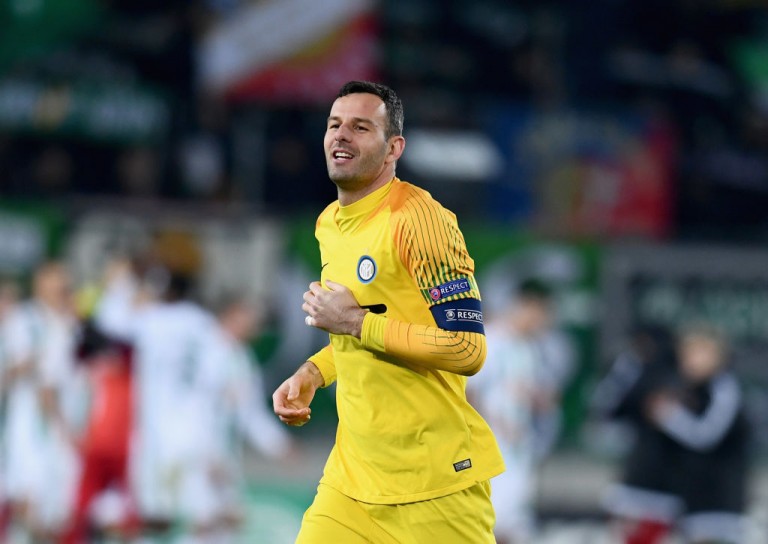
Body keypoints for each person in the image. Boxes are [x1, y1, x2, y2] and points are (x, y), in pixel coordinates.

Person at [272, 80, 504, 544]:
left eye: (361, 127)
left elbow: (467, 350)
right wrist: (314, 372)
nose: (342, 135)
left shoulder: (421, 220)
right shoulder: (329, 224)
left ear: (393, 148)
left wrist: (354, 322)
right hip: (350, 486)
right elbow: (365, 331)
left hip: (434, 489)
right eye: (335, 125)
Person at [95, 257, 216, 537]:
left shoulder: (152, 318)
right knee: (189, 510)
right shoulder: (202, 321)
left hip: (157, 421)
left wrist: (121, 286)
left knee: (153, 508)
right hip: (193, 421)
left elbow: (110, 321)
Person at [189, 296, 293, 540]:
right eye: (249, 319)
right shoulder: (204, 349)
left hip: (224, 452)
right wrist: (206, 455)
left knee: (229, 520)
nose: (254, 327)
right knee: (203, 520)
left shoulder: (240, 358)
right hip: (200, 452)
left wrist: (278, 444)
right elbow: (195, 406)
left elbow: (249, 411)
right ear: (232, 314)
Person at [466, 281, 553, 544]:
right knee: (492, 519)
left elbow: (528, 390)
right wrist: (488, 427)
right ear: (521, 307)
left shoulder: (528, 347)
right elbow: (470, 390)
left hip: (518, 445)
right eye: (536, 313)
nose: (538, 321)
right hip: (491, 445)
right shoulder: (492, 340)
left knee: (514, 519)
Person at [647, 324, 750, 544]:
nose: (692, 360)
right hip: (691, 496)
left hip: (719, 498)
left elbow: (707, 434)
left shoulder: (725, 388)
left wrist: (670, 417)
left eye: (701, 352)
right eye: (688, 353)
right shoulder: (683, 387)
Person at [1, 262, 80, 542]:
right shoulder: (25, 319)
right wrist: (60, 422)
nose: (63, 287)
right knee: (28, 496)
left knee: (57, 507)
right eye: (57, 280)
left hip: (61, 420)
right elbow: (25, 372)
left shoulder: (68, 322)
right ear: (40, 282)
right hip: (33, 420)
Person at [592, 326, 682, 544]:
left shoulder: (674, 376)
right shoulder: (629, 369)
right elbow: (605, 409)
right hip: (637, 467)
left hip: (667, 475)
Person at [61, 321, 136, 544]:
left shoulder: (119, 377)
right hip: (102, 447)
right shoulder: (101, 375)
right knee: (83, 509)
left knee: (123, 512)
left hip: (112, 448)